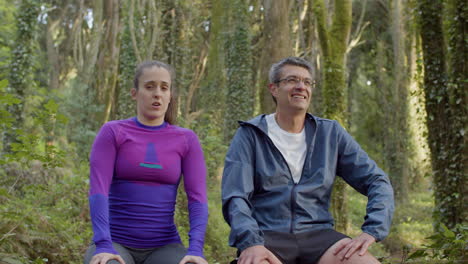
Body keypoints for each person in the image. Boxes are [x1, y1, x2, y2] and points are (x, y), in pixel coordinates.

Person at [221, 57, 394, 264]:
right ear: (274, 88)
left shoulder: (330, 133)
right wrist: (250, 242)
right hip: (266, 236)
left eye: (307, 82)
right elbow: (235, 196)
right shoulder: (250, 135)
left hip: (319, 237)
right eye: (292, 80)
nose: (301, 87)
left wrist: (373, 230)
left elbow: (377, 181)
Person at [84, 60, 209, 264]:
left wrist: (196, 249)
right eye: (149, 87)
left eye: (164, 88)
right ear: (135, 93)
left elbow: (198, 199)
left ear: (170, 96)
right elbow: (98, 191)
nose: (157, 93)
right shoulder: (113, 131)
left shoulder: (186, 139)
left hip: (165, 246)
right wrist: (104, 244)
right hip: (116, 243)